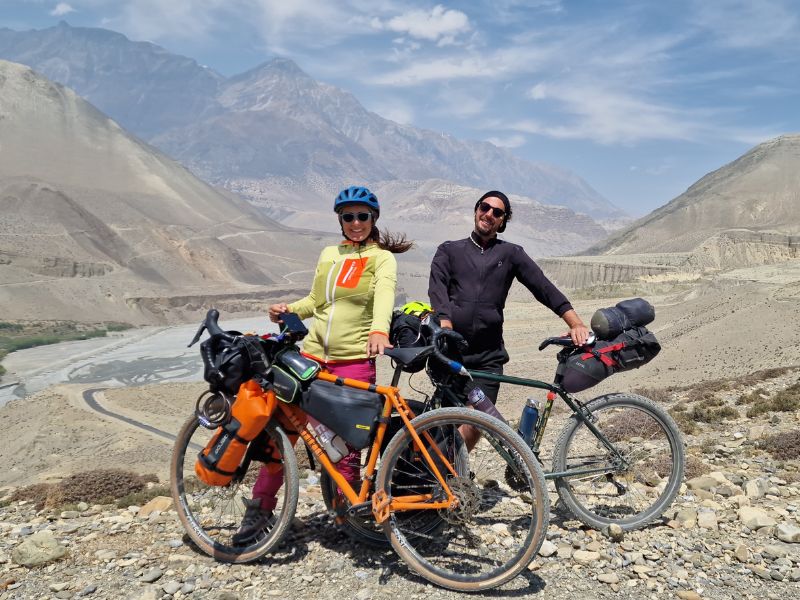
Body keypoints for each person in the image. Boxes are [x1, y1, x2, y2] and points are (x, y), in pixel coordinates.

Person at [234, 185, 413, 542]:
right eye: (349, 217)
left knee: (345, 447)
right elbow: (317, 301)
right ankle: (260, 511)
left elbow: (384, 296)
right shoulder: (330, 254)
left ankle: (347, 518)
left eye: (363, 216)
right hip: (311, 359)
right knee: (279, 432)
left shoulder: (381, 258)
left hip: (354, 360)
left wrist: (380, 330)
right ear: (340, 220)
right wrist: (288, 310)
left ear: (373, 218)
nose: (356, 223)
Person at [428, 190, 589, 448]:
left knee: (475, 424)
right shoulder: (449, 250)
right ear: (476, 210)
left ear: (503, 221)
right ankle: (444, 479)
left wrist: (575, 323)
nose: (489, 214)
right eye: (485, 207)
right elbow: (438, 289)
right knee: (442, 424)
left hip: (488, 358)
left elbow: (543, 287)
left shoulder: (511, 253)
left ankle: (449, 477)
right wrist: (445, 324)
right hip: (452, 355)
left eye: (497, 212)